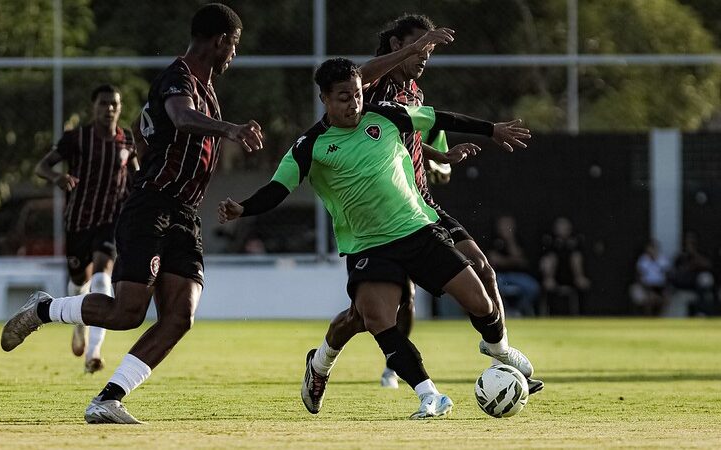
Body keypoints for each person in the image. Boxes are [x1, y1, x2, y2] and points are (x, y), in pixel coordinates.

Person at [218, 58, 536, 419]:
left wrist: (490, 129)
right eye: (342, 98)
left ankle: (500, 351)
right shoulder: (310, 146)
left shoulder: (385, 114)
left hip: (418, 229)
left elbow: (438, 117)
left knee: (481, 303)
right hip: (368, 245)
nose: (353, 104)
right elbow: (277, 189)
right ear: (323, 98)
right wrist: (242, 209)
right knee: (378, 319)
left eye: (356, 94)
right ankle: (429, 395)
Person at [1, 3, 264, 424]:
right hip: (153, 207)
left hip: (183, 213)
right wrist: (229, 129)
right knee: (128, 314)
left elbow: (146, 142)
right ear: (220, 41)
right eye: (233, 45)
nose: (234, 53)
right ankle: (45, 309)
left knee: (180, 316)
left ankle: (108, 398)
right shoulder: (177, 78)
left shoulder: (209, 92)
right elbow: (178, 117)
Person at [307, 15, 539, 392]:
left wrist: (438, 157)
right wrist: (415, 46)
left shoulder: (414, 91)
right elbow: (361, 77)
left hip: (421, 202)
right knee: (373, 313)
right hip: (381, 215)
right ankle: (332, 360)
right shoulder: (372, 85)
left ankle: (502, 354)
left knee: (481, 268)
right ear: (398, 45)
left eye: (429, 49)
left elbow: (402, 133)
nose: (426, 55)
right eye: (421, 46)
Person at [34, 84, 137, 374]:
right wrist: (57, 178)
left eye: (114, 104)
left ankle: (94, 352)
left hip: (111, 220)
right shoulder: (77, 139)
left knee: (104, 276)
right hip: (79, 220)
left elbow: (137, 174)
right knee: (79, 282)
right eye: (104, 104)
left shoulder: (127, 140)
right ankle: (79, 325)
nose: (109, 109)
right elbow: (42, 166)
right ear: (93, 107)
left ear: (120, 108)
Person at [488, 215, 540, 317]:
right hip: (499, 275)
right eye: (503, 224)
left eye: (509, 225)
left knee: (533, 287)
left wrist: (510, 240)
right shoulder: (492, 240)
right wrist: (513, 260)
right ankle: (503, 312)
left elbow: (523, 262)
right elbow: (493, 261)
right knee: (492, 288)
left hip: (519, 275)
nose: (506, 227)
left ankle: (519, 310)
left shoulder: (520, 239)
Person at [539, 217, 590, 315]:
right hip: (555, 276)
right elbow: (544, 260)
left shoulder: (575, 242)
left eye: (565, 227)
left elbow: (578, 258)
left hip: (570, 277)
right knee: (550, 259)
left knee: (576, 257)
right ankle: (548, 279)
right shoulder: (549, 241)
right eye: (560, 226)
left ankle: (579, 277)